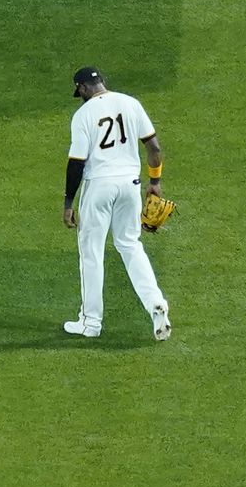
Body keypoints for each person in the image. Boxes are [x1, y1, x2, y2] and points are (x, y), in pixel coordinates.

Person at [62, 65, 171, 342]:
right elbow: (154, 147)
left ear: (84, 88)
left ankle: (91, 323)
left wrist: (68, 202)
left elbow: (76, 163)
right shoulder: (130, 103)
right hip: (130, 186)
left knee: (91, 253)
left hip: (99, 186)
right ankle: (156, 303)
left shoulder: (83, 115)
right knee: (130, 245)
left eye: (80, 91)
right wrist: (155, 183)